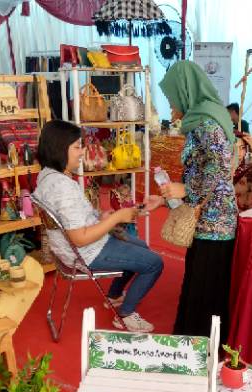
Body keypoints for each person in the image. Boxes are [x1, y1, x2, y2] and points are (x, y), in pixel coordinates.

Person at [34, 120, 163, 333]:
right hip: (85, 251)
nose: (82, 152)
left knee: (142, 247)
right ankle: (125, 315)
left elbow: (73, 218)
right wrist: (116, 218)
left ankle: (113, 295)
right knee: (154, 263)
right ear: (59, 149)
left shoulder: (47, 175)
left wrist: (101, 216)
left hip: (70, 248)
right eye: (77, 147)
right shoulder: (62, 187)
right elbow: (80, 238)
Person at [145, 61, 238, 343]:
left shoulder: (208, 123)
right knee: (200, 284)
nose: (171, 106)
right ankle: (195, 348)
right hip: (205, 217)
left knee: (205, 288)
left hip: (215, 222)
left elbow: (219, 167)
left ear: (185, 92)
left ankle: (200, 351)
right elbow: (202, 168)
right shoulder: (201, 119)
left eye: (173, 98)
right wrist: (167, 199)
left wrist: (185, 188)